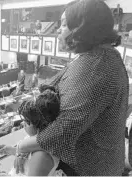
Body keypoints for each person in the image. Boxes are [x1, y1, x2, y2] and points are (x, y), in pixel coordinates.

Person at [12, 0, 128, 176]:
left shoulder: (95, 65)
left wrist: (21, 147)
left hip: (90, 169)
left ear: (84, 29)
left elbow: (63, 131)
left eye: (65, 24)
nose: (58, 29)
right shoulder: (98, 57)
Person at [0, 87, 65, 176]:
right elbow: (29, 158)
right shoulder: (37, 142)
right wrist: (12, 150)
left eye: (26, 121)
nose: (23, 124)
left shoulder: (41, 156)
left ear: (37, 125)